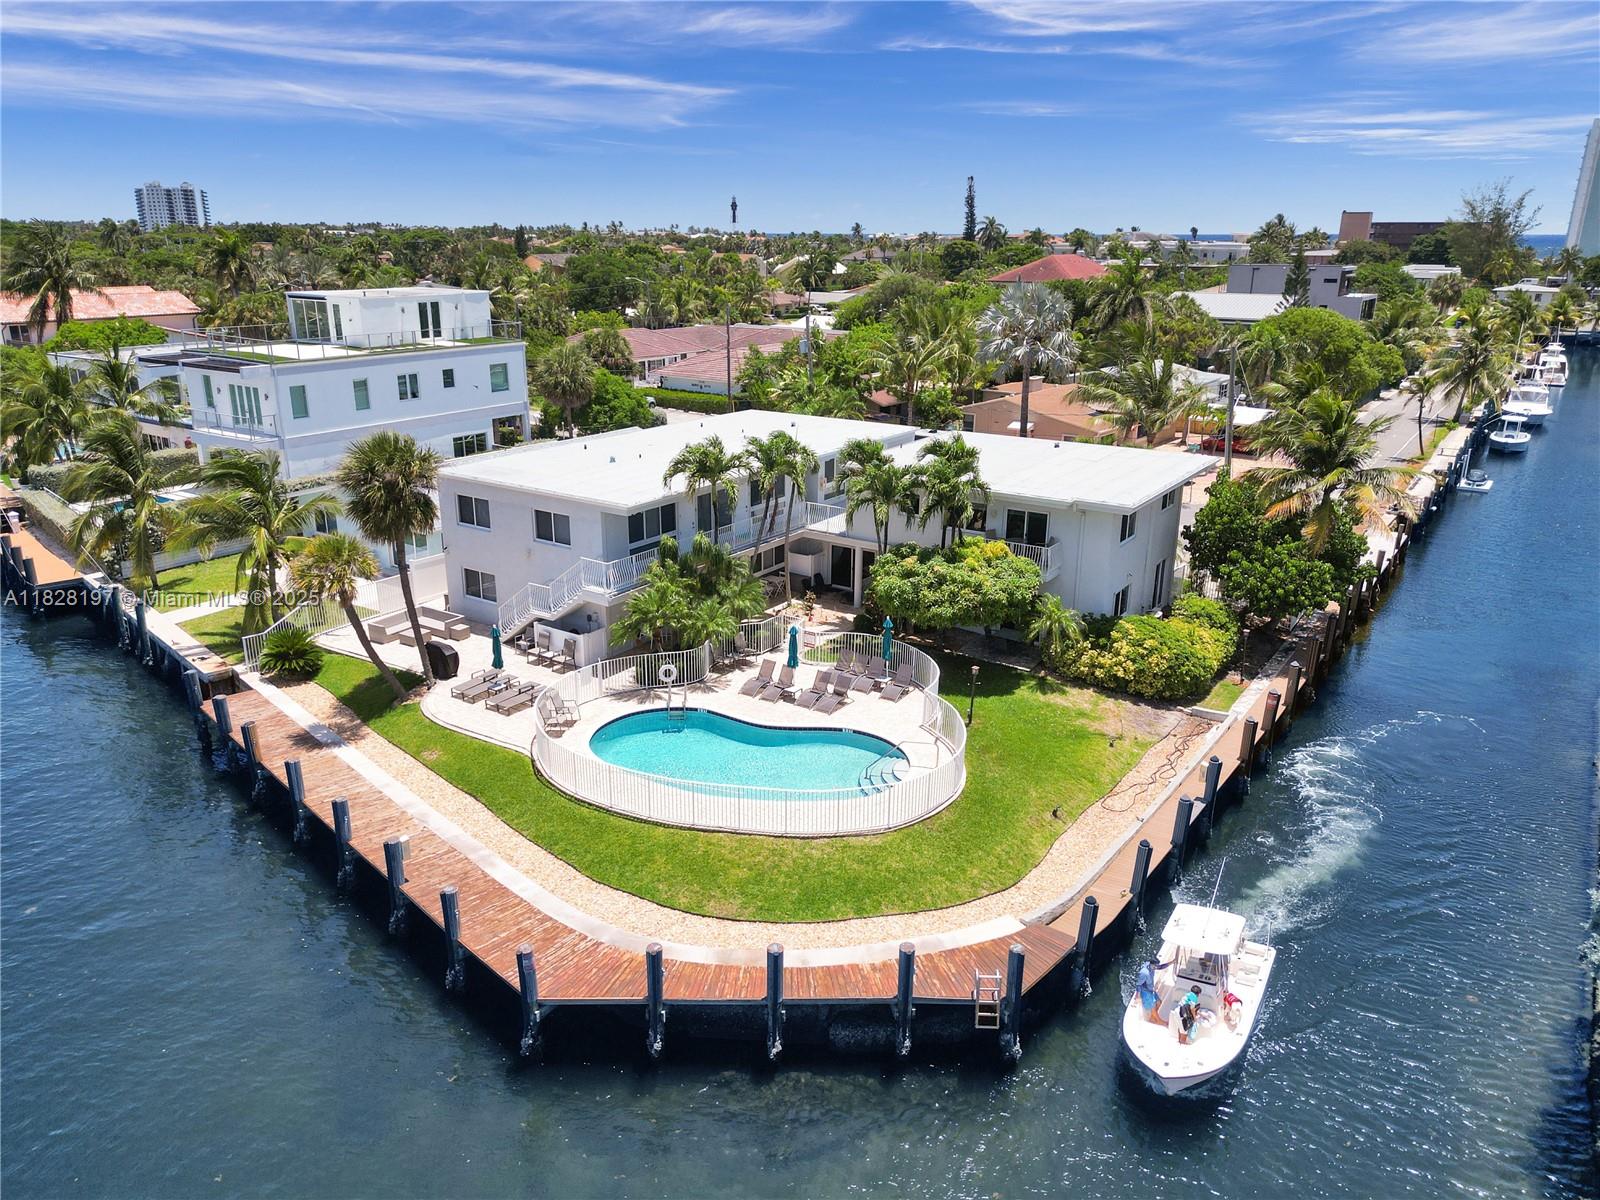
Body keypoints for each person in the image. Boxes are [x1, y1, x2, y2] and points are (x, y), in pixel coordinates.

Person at [1135, 957, 1172, 1025]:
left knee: (1159, 1002)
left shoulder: (1153, 967)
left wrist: (1171, 962)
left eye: (1156, 966)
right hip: (1145, 992)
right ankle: (1158, 1021)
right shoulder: (1144, 973)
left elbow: (1160, 967)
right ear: (1151, 964)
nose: (1156, 967)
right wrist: (1138, 995)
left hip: (1151, 990)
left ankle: (1152, 1017)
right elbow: (1138, 984)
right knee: (1153, 1007)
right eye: (1155, 966)